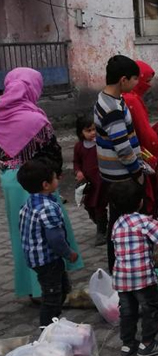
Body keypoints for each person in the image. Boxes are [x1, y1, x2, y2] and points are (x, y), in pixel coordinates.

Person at [1, 68, 84, 300]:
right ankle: (50, 288)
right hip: (39, 180)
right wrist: (53, 177)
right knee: (49, 229)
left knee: (23, 234)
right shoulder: (35, 118)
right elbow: (52, 152)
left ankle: (31, 287)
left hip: (11, 182)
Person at [108, 180, 158, 356]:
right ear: (140, 202)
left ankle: (127, 345)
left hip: (122, 279)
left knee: (128, 312)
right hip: (143, 277)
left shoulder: (117, 224)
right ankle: (148, 343)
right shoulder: (144, 222)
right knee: (151, 308)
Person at [95, 55, 146, 273]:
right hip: (121, 174)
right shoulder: (112, 108)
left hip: (113, 172)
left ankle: (120, 266)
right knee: (119, 224)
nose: (137, 84)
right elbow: (122, 146)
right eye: (135, 79)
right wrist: (137, 172)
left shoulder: (107, 98)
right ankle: (120, 268)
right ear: (123, 80)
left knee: (117, 221)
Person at [17, 160, 79, 327]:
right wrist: (69, 253)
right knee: (52, 297)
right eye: (55, 178)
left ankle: (55, 321)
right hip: (47, 260)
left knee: (62, 288)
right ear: (46, 185)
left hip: (38, 258)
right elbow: (55, 239)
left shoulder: (29, 203)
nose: (58, 179)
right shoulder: (48, 208)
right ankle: (47, 330)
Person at [122, 60, 158, 214]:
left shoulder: (122, 97)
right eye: (145, 81)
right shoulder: (131, 99)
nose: (149, 86)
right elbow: (145, 133)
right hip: (135, 155)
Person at [73, 115, 108, 245]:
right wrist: (78, 172)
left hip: (101, 181)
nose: (92, 133)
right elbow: (76, 162)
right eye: (88, 130)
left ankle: (101, 232)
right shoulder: (79, 147)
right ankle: (101, 223)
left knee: (99, 206)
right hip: (89, 183)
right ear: (81, 132)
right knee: (89, 206)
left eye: (94, 129)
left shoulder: (101, 143)